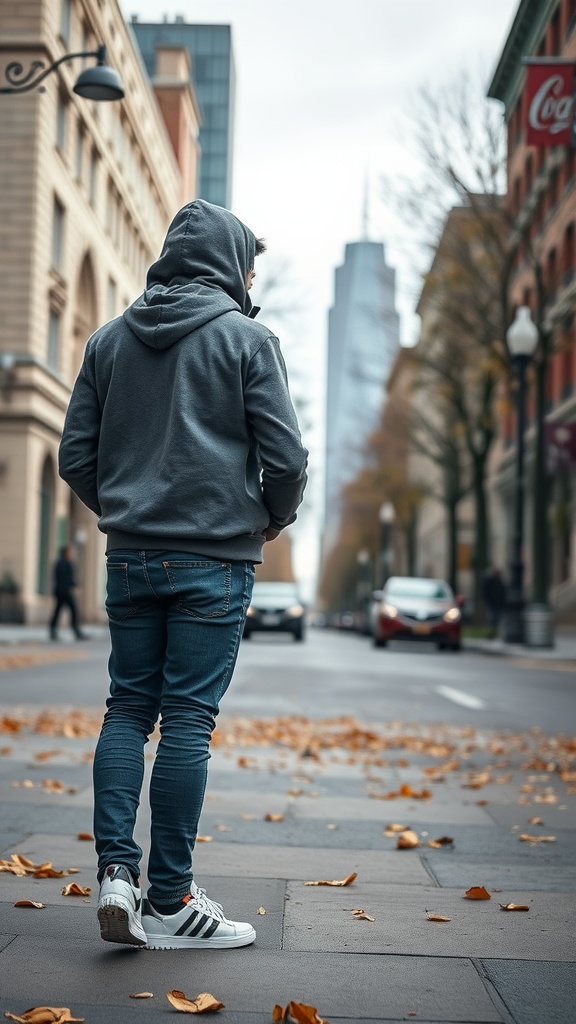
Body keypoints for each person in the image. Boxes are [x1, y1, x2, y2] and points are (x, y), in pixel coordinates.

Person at [58, 199, 308, 951]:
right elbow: (287, 460)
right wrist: (269, 517)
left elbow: (76, 456)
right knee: (188, 722)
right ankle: (169, 899)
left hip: (130, 558)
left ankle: (115, 876)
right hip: (215, 561)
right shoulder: (248, 340)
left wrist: (128, 508)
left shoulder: (107, 342)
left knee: (127, 710)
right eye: (250, 267)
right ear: (231, 267)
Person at [49, 545, 85, 641]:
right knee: (73, 610)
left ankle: (53, 630)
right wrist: (75, 585)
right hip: (65, 592)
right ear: (65, 553)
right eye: (70, 552)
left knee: (57, 611)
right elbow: (69, 578)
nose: (71, 554)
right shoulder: (67, 563)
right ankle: (76, 630)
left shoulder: (58, 563)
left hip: (59, 591)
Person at [483, 566, 507, 639]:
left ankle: (495, 634)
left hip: (499, 605)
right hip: (493, 604)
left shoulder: (500, 581)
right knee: (492, 620)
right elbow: (486, 592)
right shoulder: (490, 581)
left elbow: (503, 592)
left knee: (497, 620)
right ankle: (491, 634)